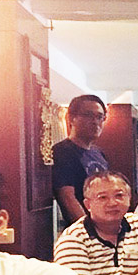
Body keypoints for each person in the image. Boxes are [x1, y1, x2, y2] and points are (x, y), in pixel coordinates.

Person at [51, 94, 110, 224]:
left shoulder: (99, 153)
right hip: (84, 230)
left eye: (100, 117)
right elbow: (67, 198)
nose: (95, 121)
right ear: (71, 118)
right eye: (88, 115)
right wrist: (89, 230)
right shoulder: (62, 151)